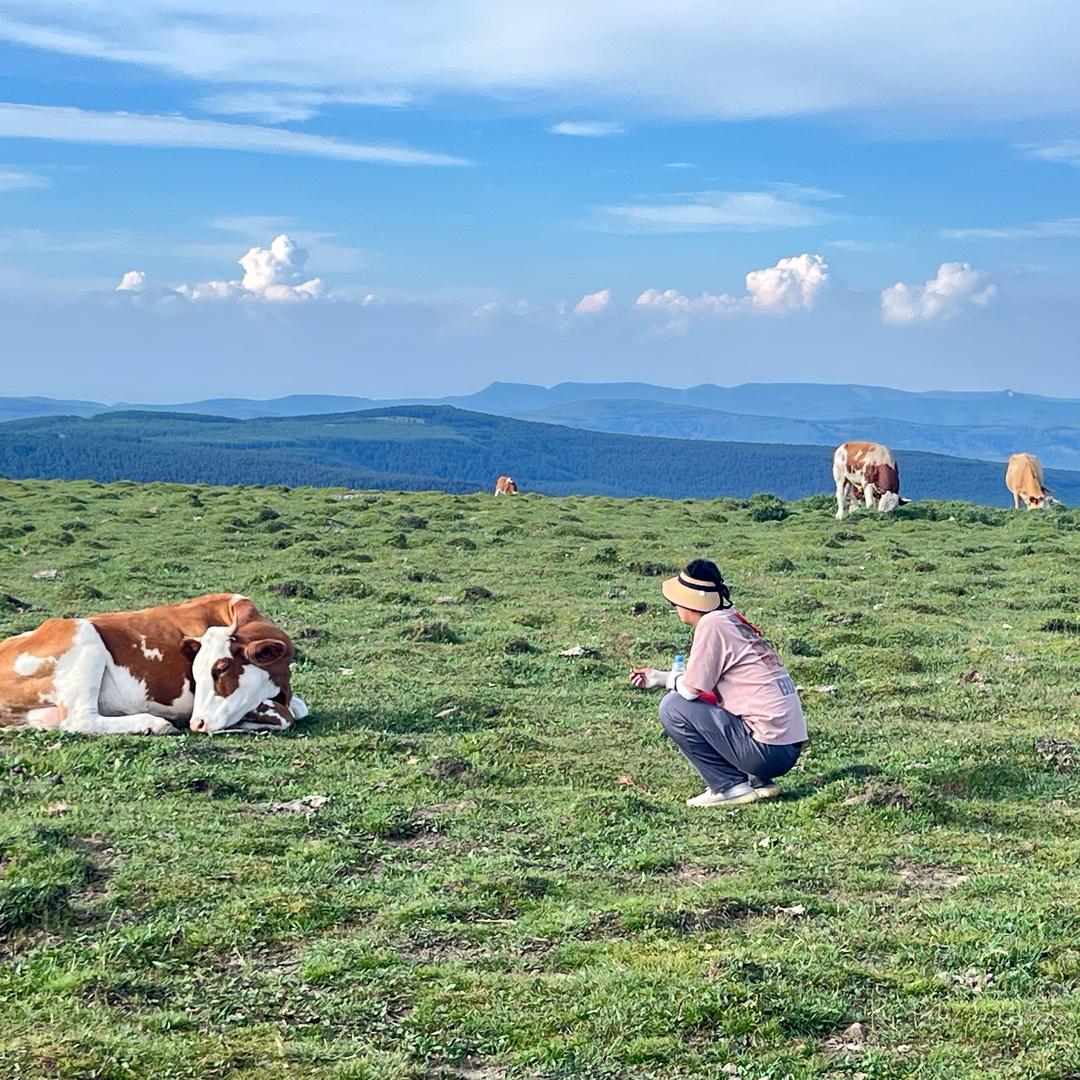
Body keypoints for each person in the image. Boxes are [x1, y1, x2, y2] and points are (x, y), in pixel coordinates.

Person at [630, 559, 807, 807]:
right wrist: (660, 677)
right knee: (714, 702)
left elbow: (690, 692)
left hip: (765, 750)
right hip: (787, 747)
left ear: (691, 601)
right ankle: (757, 781)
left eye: (677, 600)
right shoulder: (731, 620)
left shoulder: (712, 624)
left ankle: (730, 786)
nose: (675, 606)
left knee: (672, 706)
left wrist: (665, 680)